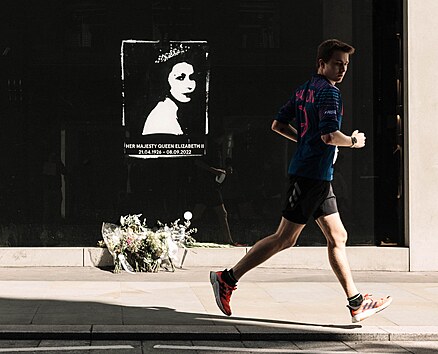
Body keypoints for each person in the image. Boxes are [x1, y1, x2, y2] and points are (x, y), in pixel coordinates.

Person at [209, 39, 392, 323]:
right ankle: (227, 278)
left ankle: (357, 303)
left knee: (338, 236)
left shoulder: (304, 90)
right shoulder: (329, 94)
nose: (342, 70)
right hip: (311, 176)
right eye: (336, 64)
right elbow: (331, 136)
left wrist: (306, 141)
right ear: (321, 64)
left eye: (345, 65)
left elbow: (278, 125)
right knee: (285, 238)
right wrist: (354, 142)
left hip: (317, 175)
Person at [142, 47, 205, 136]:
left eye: (192, 77)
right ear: (165, 81)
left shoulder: (185, 112)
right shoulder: (161, 114)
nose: (190, 86)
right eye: (180, 78)